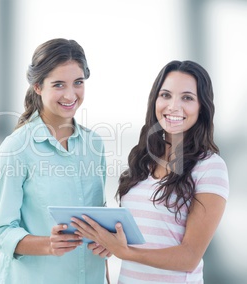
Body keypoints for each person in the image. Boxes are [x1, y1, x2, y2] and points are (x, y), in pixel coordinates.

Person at [71, 60, 229, 283]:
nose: (174, 106)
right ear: (155, 100)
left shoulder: (210, 167)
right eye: (166, 95)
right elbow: (142, 235)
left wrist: (125, 252)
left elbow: (190, 256)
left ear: (202, 106)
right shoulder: (142, 162)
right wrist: (109, 241)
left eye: (187, 98)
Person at [0, 38, 109, 284]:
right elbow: (1, 233)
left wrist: (107, 241)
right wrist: (48, 245)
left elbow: (98, 216)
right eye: (58, 84)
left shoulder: (94, 145)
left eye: (78, 83)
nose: (70, 94)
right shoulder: (16, 149)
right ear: (37, 87)